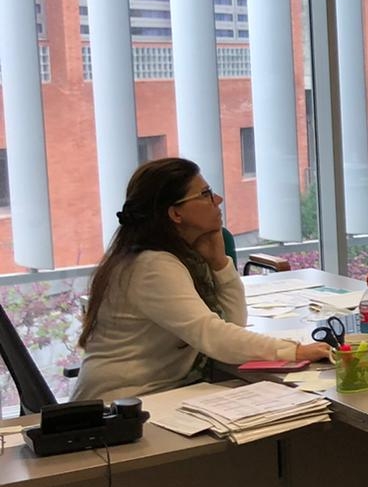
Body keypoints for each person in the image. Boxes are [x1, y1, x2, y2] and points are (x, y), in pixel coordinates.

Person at [73, 157, 331, 403]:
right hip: (121, 407)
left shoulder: (174, 256)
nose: (217, 199)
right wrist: (293, 350)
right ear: (176, 214)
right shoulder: (152, 266)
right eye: (205, 194)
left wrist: (219, 263)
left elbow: (232, 325)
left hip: (153, 396)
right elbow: (212, 335)